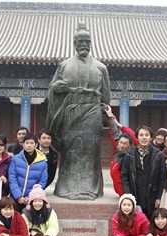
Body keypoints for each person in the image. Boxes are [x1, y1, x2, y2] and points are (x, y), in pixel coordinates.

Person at [46, 23, 110, 200]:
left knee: (90, 151)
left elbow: (106, 97)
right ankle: (67, 188)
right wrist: (56, 88)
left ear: (91, 44)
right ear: (74, 44)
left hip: (92, 112)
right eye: (80, 41)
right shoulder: (64, 65)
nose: (83, 45)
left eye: (87, 42)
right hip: (70, 112)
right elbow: (51, 90)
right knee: (69, 150)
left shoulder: (101, 67)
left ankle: (91, 188)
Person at [121, 126, 166, 218]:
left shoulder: (158, 155)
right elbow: (124, 177)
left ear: (151, 138)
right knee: (136, 221)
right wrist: (128, 195)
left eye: (146, 135)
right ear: (137, 137)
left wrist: (159, 197)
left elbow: (162, 178)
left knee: (151, 221)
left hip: (152, 195)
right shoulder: (129, 155)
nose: (144, 137)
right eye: (141, 135)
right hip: (135, 194)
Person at [8, 133, 48, 211]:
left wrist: (31, 197)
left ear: (36, 145)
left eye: (31, 143)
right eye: (27, 143)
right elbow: (12, 179)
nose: (29, 145)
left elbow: (42, 182)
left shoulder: (42, 162)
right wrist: (18, 196)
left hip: (33, 199)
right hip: (15, 198)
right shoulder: (15, 159)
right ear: (23, 144)